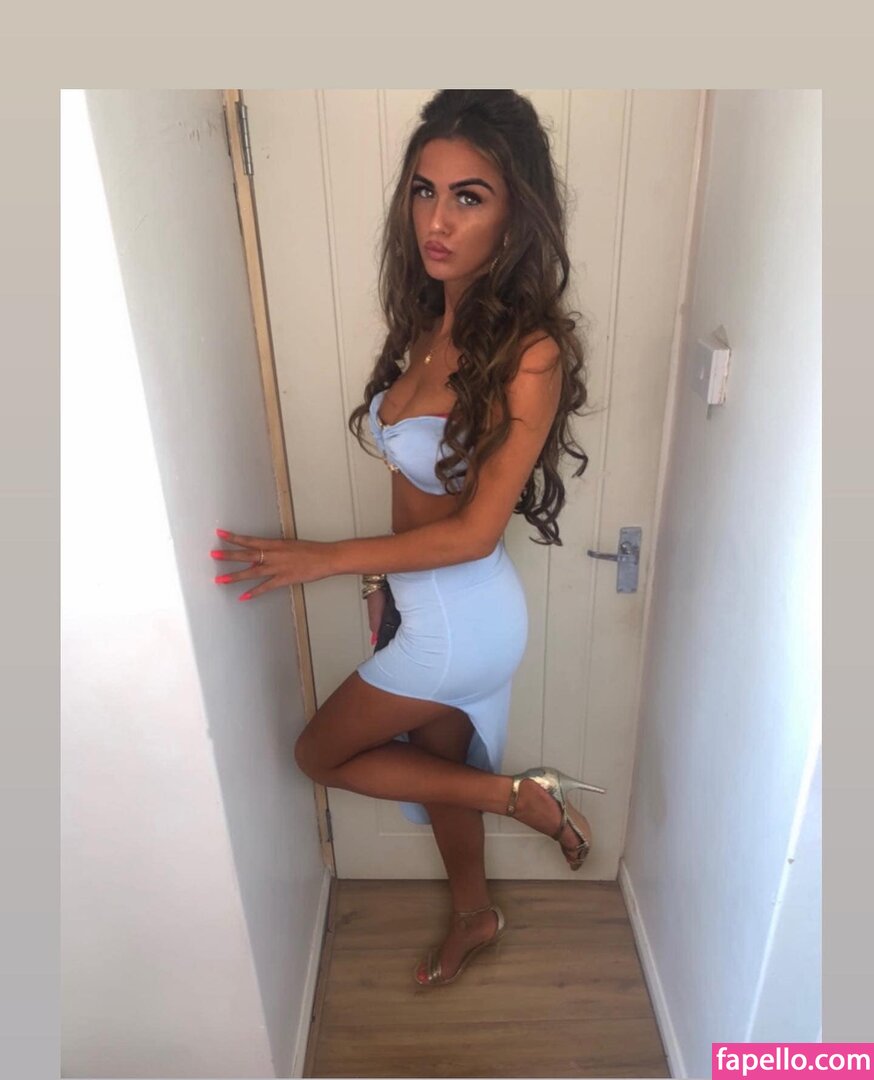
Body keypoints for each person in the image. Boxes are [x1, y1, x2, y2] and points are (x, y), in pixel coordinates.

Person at [210, 90, 606, 988]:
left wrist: (323, 559)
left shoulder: (531, 352)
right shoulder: (432, 322)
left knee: (318, 755)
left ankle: (521, 800)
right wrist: (380, 586)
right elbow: (417, 499)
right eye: (425, 190)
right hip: (423, 602)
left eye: (470, 196)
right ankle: (477, 914)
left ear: (516, 212)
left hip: (462, 617)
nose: (437, 219)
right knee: (435, 767)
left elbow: (471, 533)